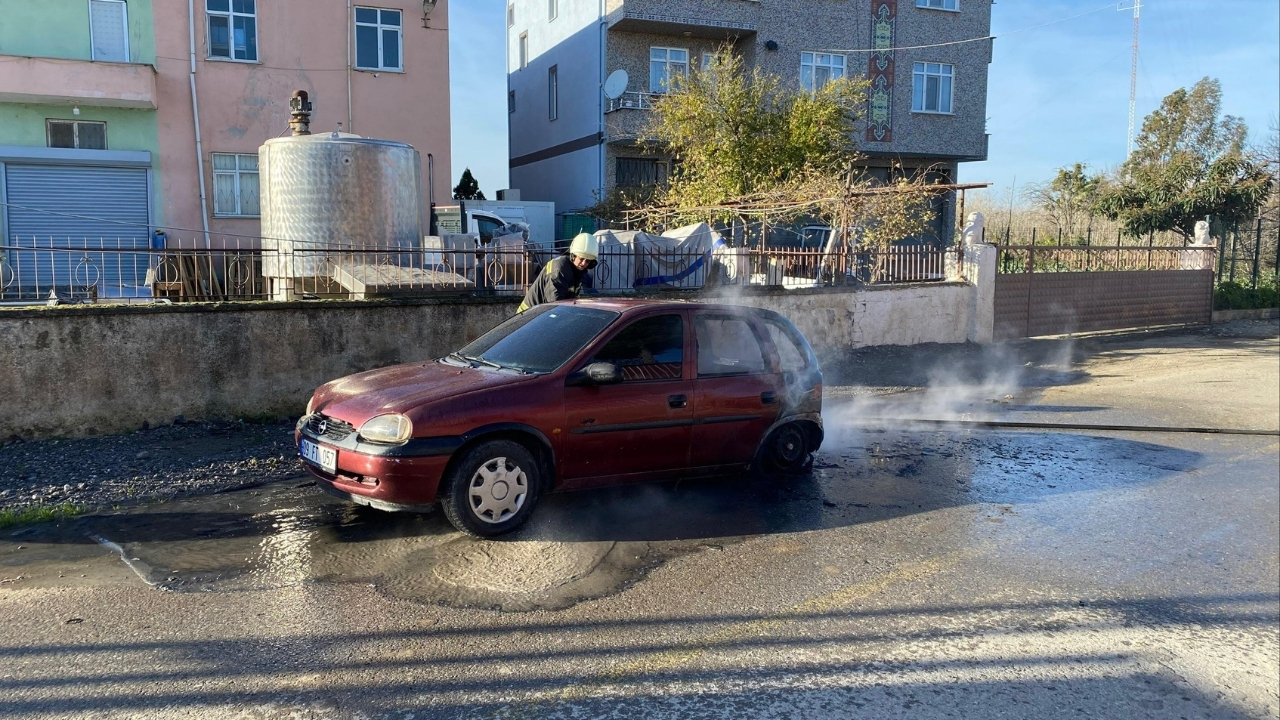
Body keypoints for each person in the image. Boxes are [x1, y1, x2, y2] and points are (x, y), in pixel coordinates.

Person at [516, 232, 599, 312]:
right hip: (528, 317)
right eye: (581, 258)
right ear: (573, 255)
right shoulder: (559, 269)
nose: (584, 263)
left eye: (588, 260)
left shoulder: (576, 271)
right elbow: (555, 305)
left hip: (538, 315)